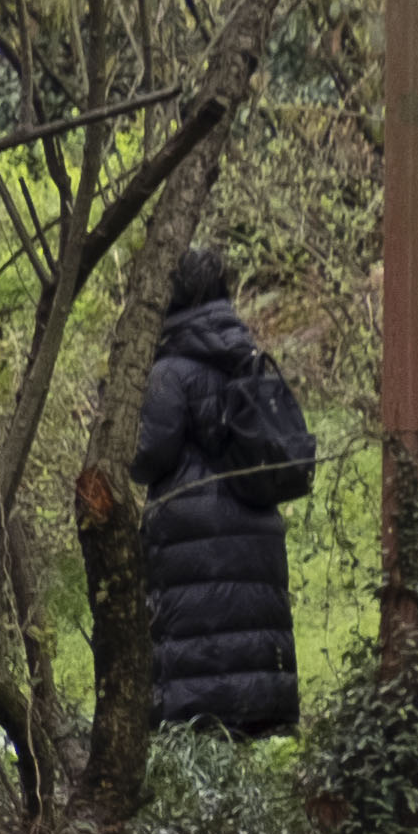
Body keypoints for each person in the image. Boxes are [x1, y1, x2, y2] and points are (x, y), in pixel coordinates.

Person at [134, 246, 312, 741]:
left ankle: (200, 777)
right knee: (246, 654)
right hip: (254, 532)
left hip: (193, 538)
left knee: (198, 684)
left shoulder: (170, 369)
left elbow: (148, 455)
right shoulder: (246, 354)